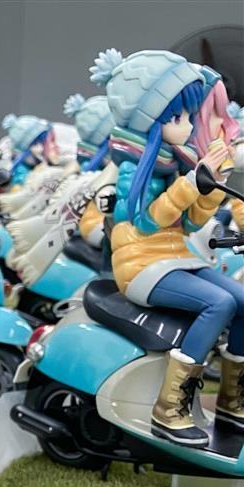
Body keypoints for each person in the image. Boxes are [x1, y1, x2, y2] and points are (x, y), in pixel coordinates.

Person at [92, 48, 244, 444]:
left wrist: (212, 183)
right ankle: (170, 407)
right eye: (178, 118)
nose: (189, 125)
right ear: (151, 121)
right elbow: (146, 221)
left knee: (242, 300)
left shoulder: (176, 161)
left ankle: (232, 401)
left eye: (190, 117)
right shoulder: (133, 169)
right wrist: (192, 182)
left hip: (175, 257)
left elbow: (191, 222)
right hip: (139, 264)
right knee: (219, 304)